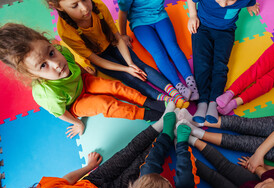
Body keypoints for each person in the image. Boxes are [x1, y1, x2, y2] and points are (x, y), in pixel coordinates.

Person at [0, 102, 177, 188]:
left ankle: (161, 123)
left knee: (128, 151)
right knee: (142, 164)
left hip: (94, 180)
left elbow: (68, 179)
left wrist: (89, 167)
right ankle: (170, 135)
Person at [0, 23, 165, 138]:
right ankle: (146, 114)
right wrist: (77, 123)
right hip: (75, 102)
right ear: (32, 75)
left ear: (49, 44)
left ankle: (148, 102)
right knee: (106, 104)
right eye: (43, 65)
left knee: (115, 86)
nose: (56, 64)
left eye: (51, 53)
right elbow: (61, 113)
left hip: (83, 80)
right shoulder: (47, 94)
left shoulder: (60, 51)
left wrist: (82, 69)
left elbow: (71, 61)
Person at [46, 0, 189, 108]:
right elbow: (95, 58)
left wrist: (131, 63)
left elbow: (117, 37)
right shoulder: (66, 31)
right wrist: (126, 69)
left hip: (113, 43)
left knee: (139, 66)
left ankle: (174, 93)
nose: (84, 8)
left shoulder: (98, 6)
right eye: (74, 5)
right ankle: (165, 100)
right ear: (58, 6)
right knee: (129, 77)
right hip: (99, 57)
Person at [187, 0, 260, 124]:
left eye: (229, 0)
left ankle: (214, 101)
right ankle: (202, 101)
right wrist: (193, 15)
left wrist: (251, 5)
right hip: (202, 27)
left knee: (220, 66)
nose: (223, 4)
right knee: (201, 64)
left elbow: (251, 2)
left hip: (226, 31)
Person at [117, 0, 199, 102]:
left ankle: (191, 82)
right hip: (140, 23)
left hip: (160, 16)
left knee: (173, 47)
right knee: (159, 53)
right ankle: (179, 86)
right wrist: (123, 34)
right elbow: (123, 12)